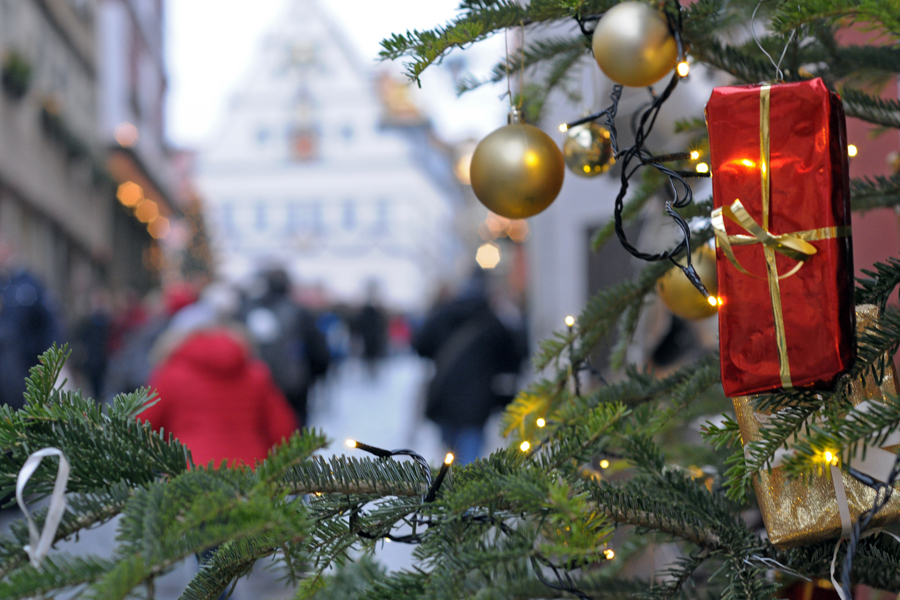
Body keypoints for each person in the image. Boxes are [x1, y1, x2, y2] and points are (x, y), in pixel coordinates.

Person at [140, 325, 297, 468]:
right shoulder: (256, 375)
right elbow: (283, 430)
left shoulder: (170, 375)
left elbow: (143, 428)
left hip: (189, 473)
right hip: (250, 472)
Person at [413, 272, 526, 464]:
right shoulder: (493, 321)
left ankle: (451, 487)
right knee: (469, 460)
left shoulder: (443, 315)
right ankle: (461, 490)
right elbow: (514, 357)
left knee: (450, 455)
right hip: (477, 403)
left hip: (445, 398)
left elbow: (420, 346)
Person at [243, 268, 329, 427]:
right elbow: (319, 351)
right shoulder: (298, 312)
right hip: (293, 385)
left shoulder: (247, 311)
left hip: (256, 384)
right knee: (294, 433)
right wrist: (314, 376)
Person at [0, 238, 63, 409]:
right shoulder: (4, 285)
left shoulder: (32, 284)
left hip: (26, 365)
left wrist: (50, 360)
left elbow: (49, 324)